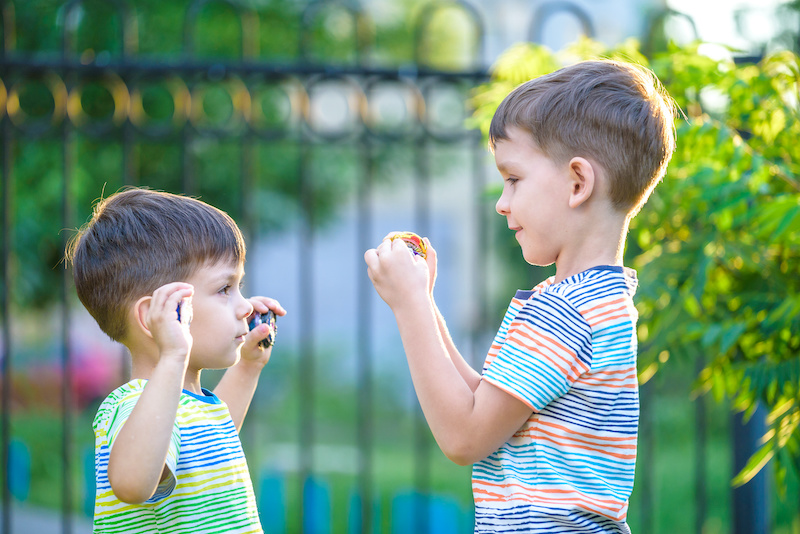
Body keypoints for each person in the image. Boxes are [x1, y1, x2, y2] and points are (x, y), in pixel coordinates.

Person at [364, 59, 676, 533]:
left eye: (513, 179)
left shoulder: (564, 311)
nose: (502, 202)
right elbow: (491, 406)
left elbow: (466, 436)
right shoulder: (599, 302)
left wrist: (409, 309)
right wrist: (425, 302)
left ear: (577, 182)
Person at [66, 187, 286, 534]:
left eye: (239, 286)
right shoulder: (133, 404)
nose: (245, 306)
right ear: (157, 317)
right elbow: (132, 483)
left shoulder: (184, 405)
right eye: (224, 289)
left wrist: (247, 366)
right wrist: (173, 356)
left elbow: (208, 439)